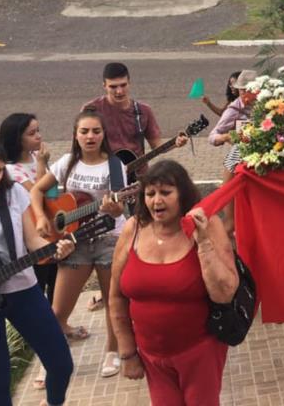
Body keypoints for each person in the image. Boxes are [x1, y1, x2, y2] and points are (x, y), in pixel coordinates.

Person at [109, 161, 238, 405]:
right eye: (150, 193)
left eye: (166, 193)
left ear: (183, 195)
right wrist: (127, 353)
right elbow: (116, 296)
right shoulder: (133, 228)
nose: (157, 201)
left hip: (200, 351)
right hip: (151, 356)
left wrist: (203, 243)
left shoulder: (209, 225)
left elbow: (224, 294)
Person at [0, 137, 75, 406]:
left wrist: (54, 249)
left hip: (21, 288)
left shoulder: (13, 194)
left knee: (60, 363)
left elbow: (32, 240)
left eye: (1, 170)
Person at [31, 110, 127, 378]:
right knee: (59, 309)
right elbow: (38, 190)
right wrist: (41, 217)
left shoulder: (115, 166)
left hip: (109, 238)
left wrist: (114, 208)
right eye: (84, 131)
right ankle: (52, 359)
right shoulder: (67, 163)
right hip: (74, 242)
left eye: (96, 131)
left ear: (104, 134)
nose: (90, 136)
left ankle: (112, 351)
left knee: (112, 301)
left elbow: (120, 209)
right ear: (75, 135)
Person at [0, 112, 55, 391]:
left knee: (56, 284)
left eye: (39, 130)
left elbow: (53, 192)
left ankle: (60, 329)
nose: (39, 137)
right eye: (32, 133)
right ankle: (45, 358)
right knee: (41, 288)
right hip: (31, 241)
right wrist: (44, 166)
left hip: (50, 233)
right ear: (17, 137)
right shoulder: (9, 171)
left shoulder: (33, 160)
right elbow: (38, 195)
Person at [83, 62, 187, 159]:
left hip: (137, 174)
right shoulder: (91, 110)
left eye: (123, 85)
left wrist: (175, 143)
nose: (119, 91)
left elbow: (157, 146)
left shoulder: (144, 111)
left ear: (129, 83)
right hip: (104, 173)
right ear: (104, 86)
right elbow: (81, 145)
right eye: (113, 87)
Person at [208, 70, 258, 147]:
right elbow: (212, 136)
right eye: (242, 90)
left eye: (250, 90)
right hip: (245, 154)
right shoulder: (234, 110)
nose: (245, 93)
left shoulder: (267, 103)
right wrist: (225, 137)